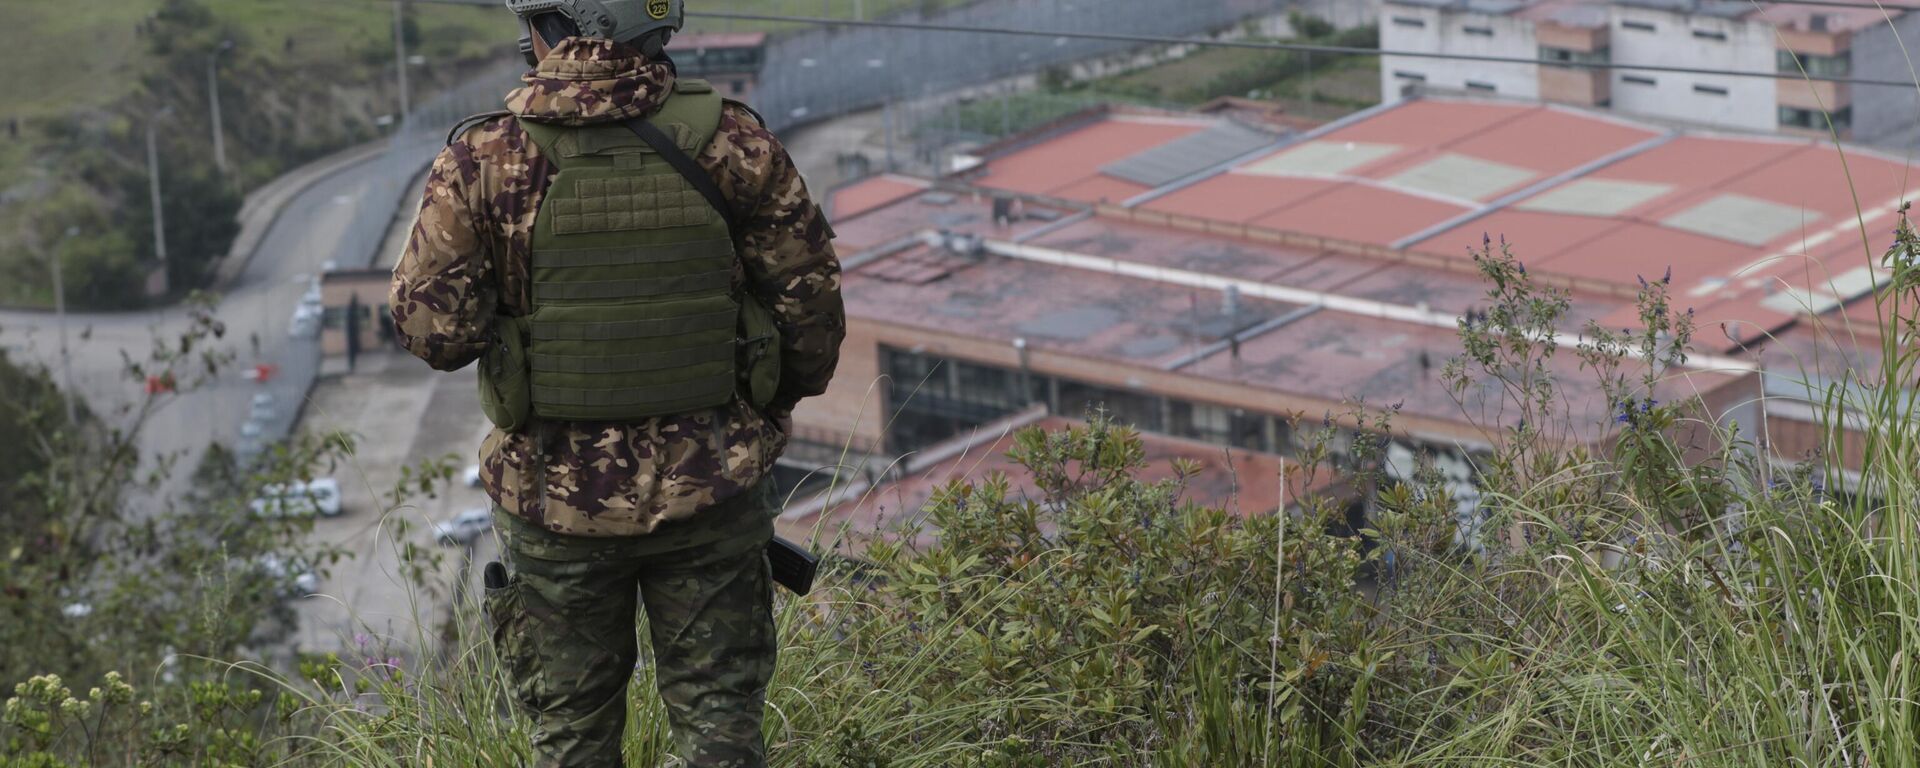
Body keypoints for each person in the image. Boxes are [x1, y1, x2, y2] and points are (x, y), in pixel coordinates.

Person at [387, 0, 844, 764]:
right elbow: (812, 318)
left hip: (551, 502)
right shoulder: (737, 143)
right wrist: (757, 412)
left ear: (556, 26)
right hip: (716, 489)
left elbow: (433, 331)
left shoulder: (484, 157)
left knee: (570, 739)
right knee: (721, 731)